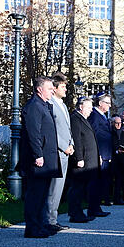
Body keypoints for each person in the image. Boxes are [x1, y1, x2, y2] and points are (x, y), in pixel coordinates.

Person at [19, 76, 61, 238]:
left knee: (43, 194)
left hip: (46, 158)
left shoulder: (43, 105)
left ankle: (42, 224)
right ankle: (32, 227)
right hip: (39, 158)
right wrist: (38, 154)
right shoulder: (34, 106)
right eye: (50, 89)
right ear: (39, 89)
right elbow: (33, 132)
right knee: (35, 194)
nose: (52, 91)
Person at [47, 74, 74, 231]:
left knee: (59, 188)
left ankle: (53, 219)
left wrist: (71, 144)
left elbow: (67, 128)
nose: (66, 89)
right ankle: (49, 220)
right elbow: (52, 130)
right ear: (55, 88)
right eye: (63, 86)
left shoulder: (63, 105)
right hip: (57, 151)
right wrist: (64, 146)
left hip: (66, 152)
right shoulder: (50, 104)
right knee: (53, 188)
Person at [66, 97, 99, 223]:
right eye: (89, 107)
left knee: (81, 188)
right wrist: (79, 158)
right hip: (81, 160)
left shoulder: (83, 119)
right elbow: (77, 140)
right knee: (77, 188)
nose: (91, 110)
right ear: (81, 107)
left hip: (87, 160)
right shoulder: (75, 118)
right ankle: (75, 213)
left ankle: (78, 212)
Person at [87, 93, 115, 213]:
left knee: (101, 182)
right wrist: (97, 154)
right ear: (100, 103)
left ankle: (96, 207)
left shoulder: (102, 116)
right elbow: (94, 136)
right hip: (99, 154)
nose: (109, 105)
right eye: (107, 103)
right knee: (95, 182)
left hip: (105, 154)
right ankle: (93, 208)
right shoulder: (94, 115)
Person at [111, 115, 124, 204]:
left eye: (120, 123)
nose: (118, 125)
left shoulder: (123, 132)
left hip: (122, 159)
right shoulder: (110, 132)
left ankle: (118, 198)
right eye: (116, 123)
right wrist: (116, 151)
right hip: (113, 159)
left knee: (119, 180)